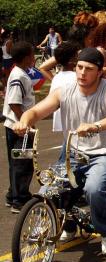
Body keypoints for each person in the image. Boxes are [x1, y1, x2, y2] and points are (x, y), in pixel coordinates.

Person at [13, 47, 106, 255]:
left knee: (93, 189)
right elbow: (37, 110)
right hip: (75, 154)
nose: (82, 73)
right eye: (79, 67)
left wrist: (96, 126)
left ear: (100, 71)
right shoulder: (64, 91)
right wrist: (25, 120)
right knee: (49, 191)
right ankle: (68, 226)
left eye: (88, 69)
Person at [3, 41, 35, 213]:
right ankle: (19, 199)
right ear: (25, 57)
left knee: (16, 162)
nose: (33, 57)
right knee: (22, 164)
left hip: (15, 125)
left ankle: (12, 194)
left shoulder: (20, 73)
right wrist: (25, 124)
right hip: (18, 128)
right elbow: (15, 103)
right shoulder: (19, 76)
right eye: (31, 54)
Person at [51, 42, 80, 133]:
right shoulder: (75, 77)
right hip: (72, 121)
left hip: (62, 120)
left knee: (67, 142)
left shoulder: (57, 77)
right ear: (72, 59)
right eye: (76, 55)